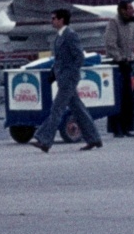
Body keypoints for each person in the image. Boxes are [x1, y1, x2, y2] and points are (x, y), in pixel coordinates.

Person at [34, 9, 102, 151]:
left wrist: (69, 75)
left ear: (61, 20)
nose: (51, 21)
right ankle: (94, 138)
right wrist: (54, 72)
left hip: (68, 80)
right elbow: (59, 59)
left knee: (57, 109)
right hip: (63, 78)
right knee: (78, 110)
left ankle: (44, 140)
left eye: (54, 18)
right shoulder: (59, 36)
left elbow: (79, 57)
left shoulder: (70, 35)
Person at [102, 1, 134, 137]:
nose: (132, 11)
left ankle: (127, 127)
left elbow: (129, 44)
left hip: (126, 63)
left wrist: (130, 57)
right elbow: (110, 43)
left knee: (127, 97)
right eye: (129, 8)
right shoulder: (114, 22)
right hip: (117, 64)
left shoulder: (131, 24)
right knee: (117, 96)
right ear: (122, 10)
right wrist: (120, 58)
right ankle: (116, 128)